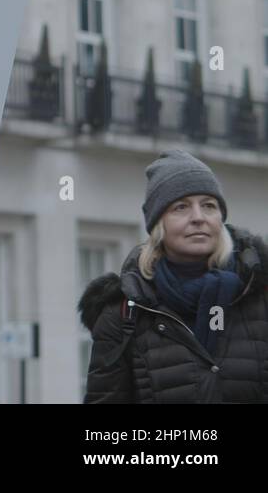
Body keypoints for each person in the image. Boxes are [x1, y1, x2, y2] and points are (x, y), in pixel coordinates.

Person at [81, 149, 268, 403]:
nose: (199, 218)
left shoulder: (258, 294)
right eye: (181, 207)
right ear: (159, 224)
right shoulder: (124, 313)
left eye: (209, 206)